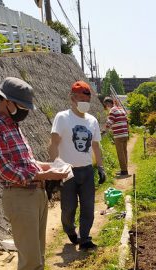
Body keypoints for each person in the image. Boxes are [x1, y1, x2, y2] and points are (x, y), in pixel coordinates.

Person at [0, 77, 69, 270]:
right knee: (29, 258)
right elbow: (7, 171)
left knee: (39, 253)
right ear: (7, 102)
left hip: (34, 193)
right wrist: (47, 175)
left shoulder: (11, 124)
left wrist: (50, 167)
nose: (23, 112)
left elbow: (27, 163)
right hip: (19, 195)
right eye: (21, 106)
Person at [49, 80, 106, 250]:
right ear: (72, 98)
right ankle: (70, 230)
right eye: (81, 100)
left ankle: (85, 238)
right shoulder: (62, 118)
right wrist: (55, 168)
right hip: (67, 172)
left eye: (87, 101)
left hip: (87, 170)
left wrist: (101, 167)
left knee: (88, 206)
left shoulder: (92, 121)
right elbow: (53, 144)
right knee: (68, 208)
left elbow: (96, 146)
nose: (84, 104)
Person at [103, 96, 129, 177]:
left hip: (119, 135)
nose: (106, 107)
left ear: (108, 104)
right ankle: (125, 168)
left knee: (120, 153)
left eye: (106, 105)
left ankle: (124, 171)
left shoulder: (112, 110)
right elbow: (127, 120)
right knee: (124, 152)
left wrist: (104, 130)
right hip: (125, 133)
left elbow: (109, 123)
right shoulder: (121, 109)